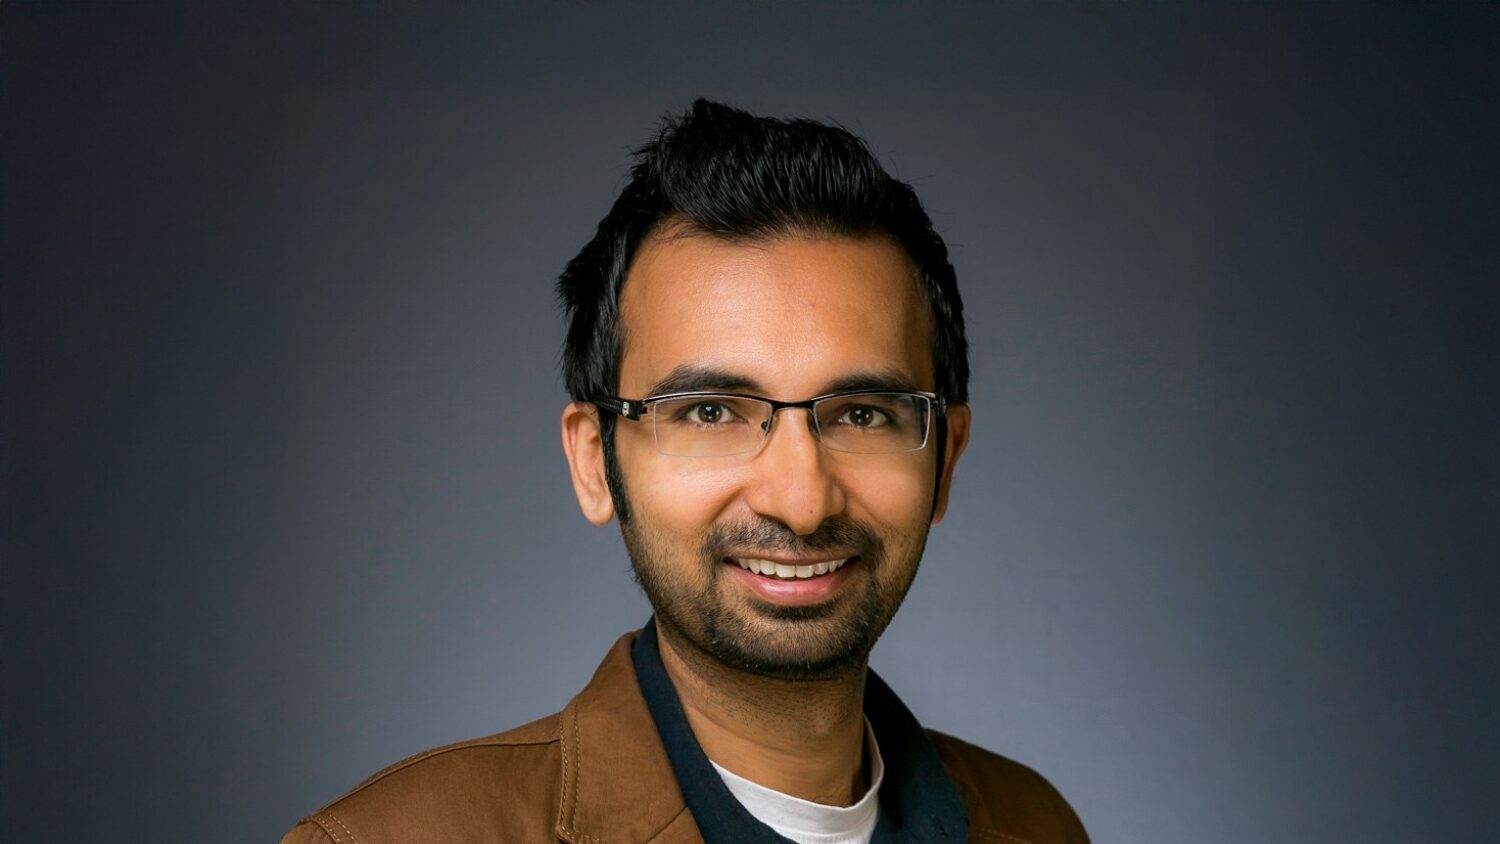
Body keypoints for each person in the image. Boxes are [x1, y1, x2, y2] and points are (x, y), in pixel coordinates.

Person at [282, 99, 1089, 844]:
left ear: (944, 460)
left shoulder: (1034, 824)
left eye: (863, 414)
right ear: (595, 461)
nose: (802, 502)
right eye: (710, 412)